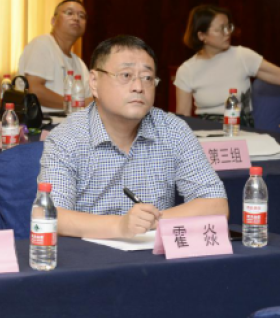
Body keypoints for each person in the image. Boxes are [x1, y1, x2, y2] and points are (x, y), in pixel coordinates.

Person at [39, 35, 228, 239]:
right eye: (126, 75)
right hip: (89, 255)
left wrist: (152, 222)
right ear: (94, 82)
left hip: (154, 254)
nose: (138, 87)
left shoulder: (173, 130)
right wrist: (120, 226)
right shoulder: (67, 137)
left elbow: (216, 205)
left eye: (147, 78)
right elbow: (49, 214)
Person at [175, 4, 280, 126]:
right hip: (207, 130)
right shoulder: (187, 70)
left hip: (243, 129)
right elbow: (183, 118)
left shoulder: (242, 56)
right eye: (221, 29)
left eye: (228, 27)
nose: (228, 33)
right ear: (202, 36)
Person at [17, 0, 93, 113]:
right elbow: (34, 91)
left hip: (72, 122)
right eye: (69, 13)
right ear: (53, 21)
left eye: (81, 16)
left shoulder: (79, 63)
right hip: (45, 122)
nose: (76, 18)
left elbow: (90, 100)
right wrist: (75, 104)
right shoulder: (42, 44)